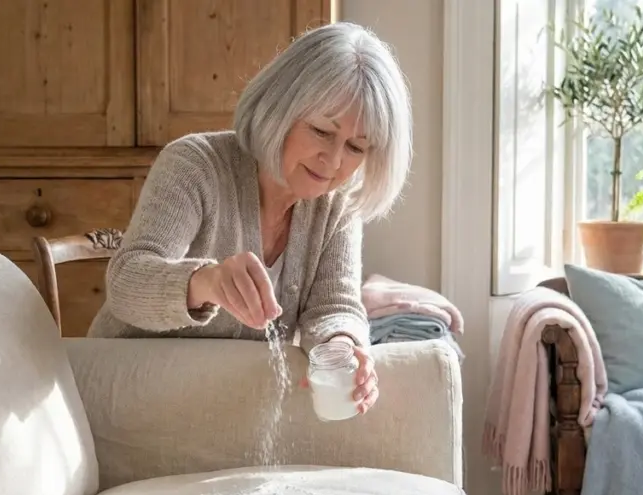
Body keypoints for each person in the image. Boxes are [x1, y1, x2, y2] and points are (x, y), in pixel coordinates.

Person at [87, 21, 413, 416]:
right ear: (281, 107)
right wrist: (206, 282)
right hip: (127, 397)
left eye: (357, 147)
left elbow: (333, 306)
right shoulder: (195, 165)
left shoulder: (336, 204)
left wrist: (342, 346)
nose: (335, 161)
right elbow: (125, 283)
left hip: (218, 408)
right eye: (322, 132)